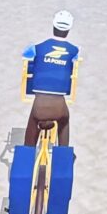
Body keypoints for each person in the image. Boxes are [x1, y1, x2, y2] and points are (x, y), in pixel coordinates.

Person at [20, 9, 80, 147]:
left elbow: (25, 56)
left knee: (33, 121)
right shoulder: (75, 50)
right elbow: (75, 62)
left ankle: (27, 152)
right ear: (68, 29)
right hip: (59, 106)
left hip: (39, 105)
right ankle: (63, 153)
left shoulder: (36, 47)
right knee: (64, 122)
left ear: (53, 25)